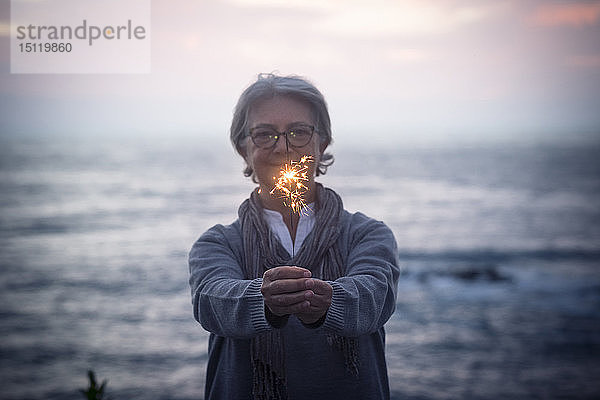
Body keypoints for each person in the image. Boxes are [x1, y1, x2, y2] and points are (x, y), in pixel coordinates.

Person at [188, 73, 400, 400]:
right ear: (242, 149)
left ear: (323, 143)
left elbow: (374, 296)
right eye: (264, 134)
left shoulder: (367, 234)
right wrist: (265, 299)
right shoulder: (216, 243)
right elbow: (212, 301)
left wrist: (329, 301)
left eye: (299, 132)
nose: (283, 147)